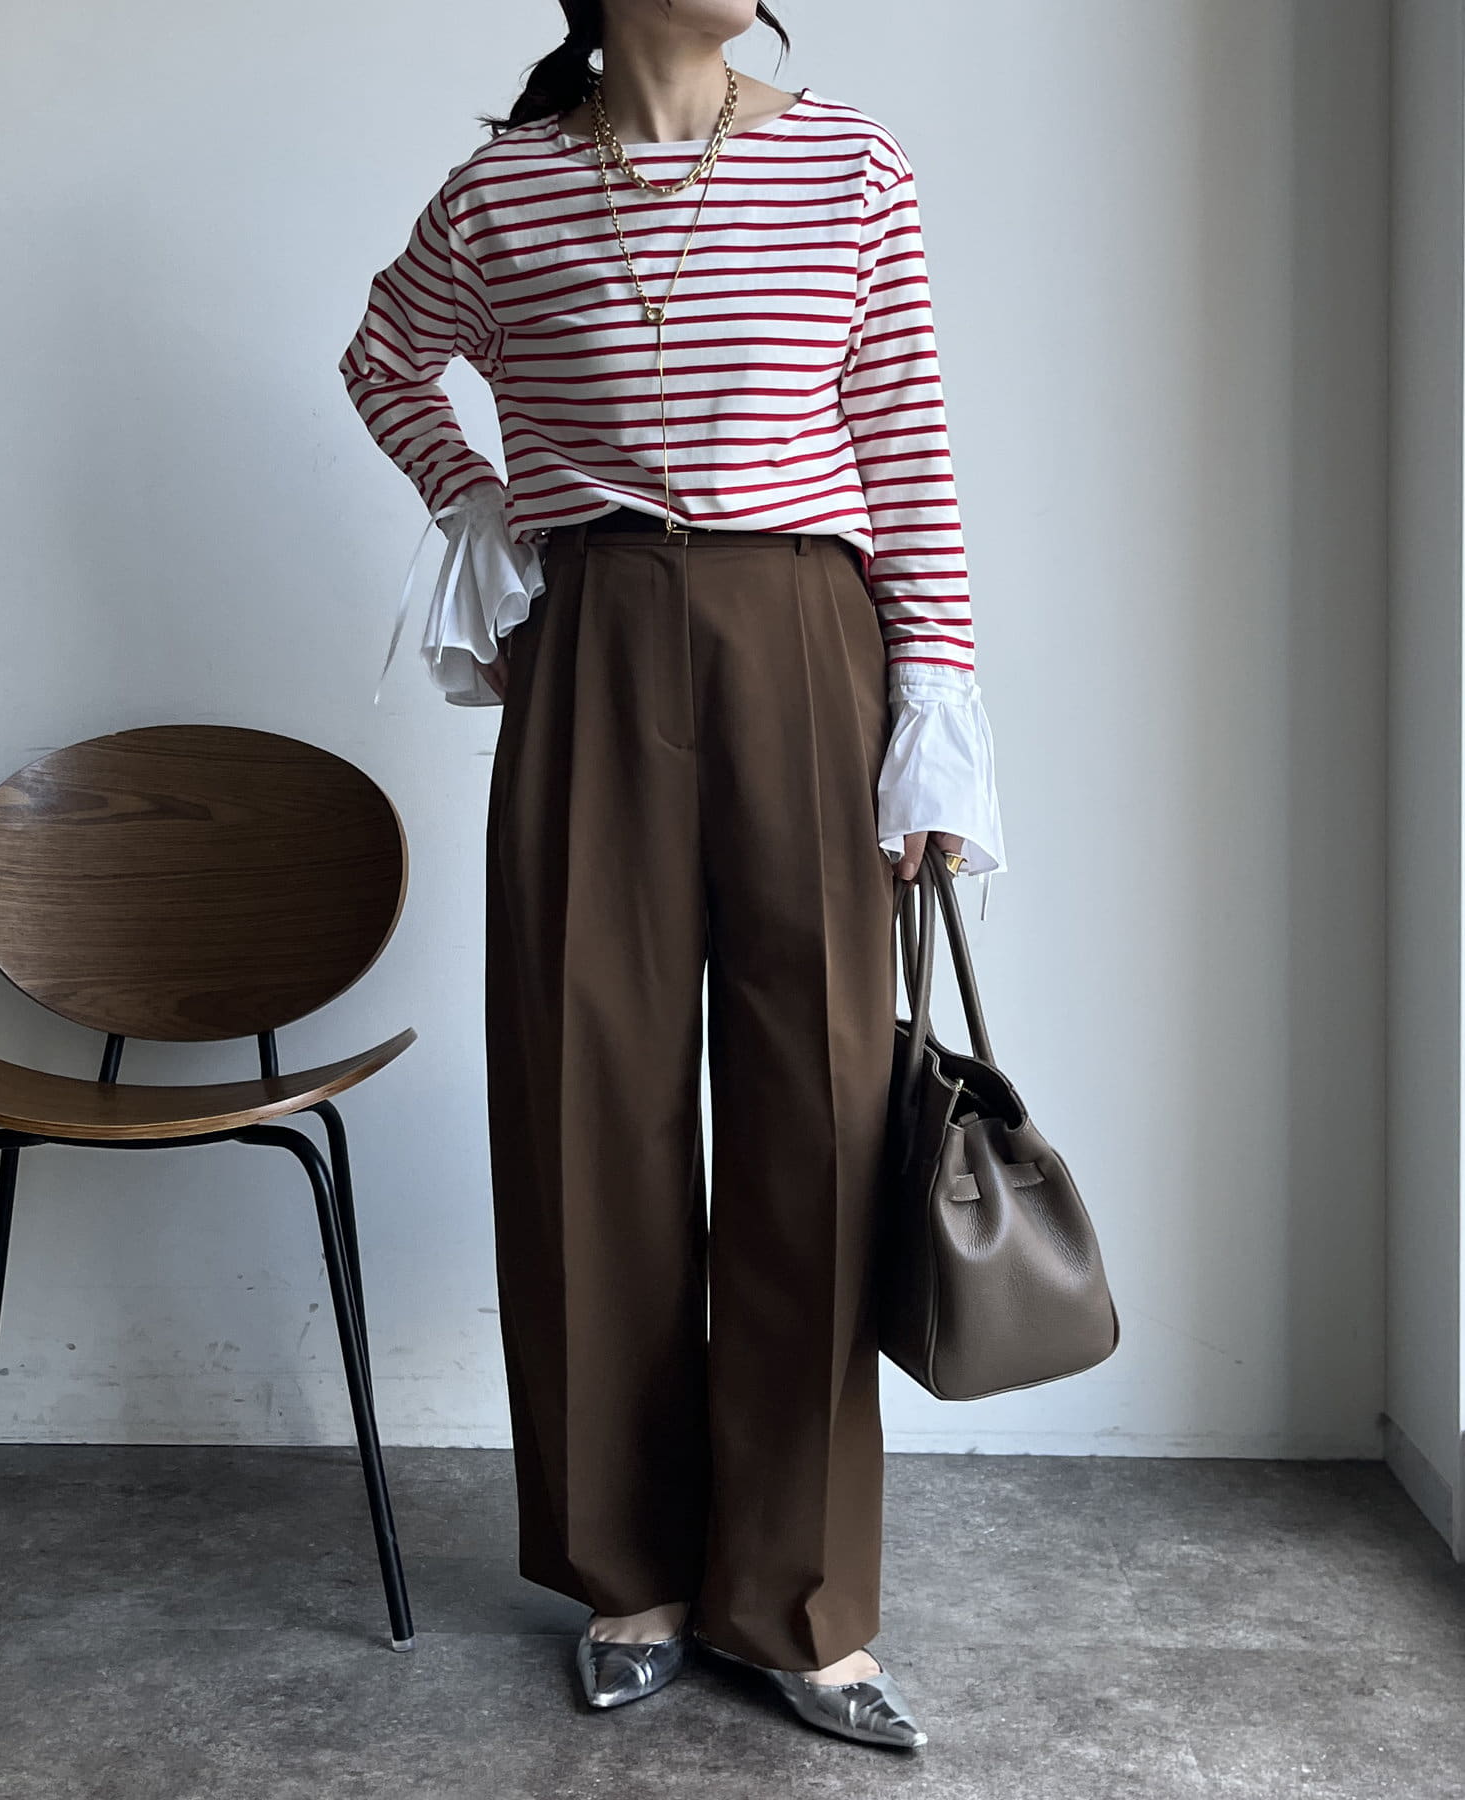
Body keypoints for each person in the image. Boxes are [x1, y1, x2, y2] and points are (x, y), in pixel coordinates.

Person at [339, 0, 1007, 1753]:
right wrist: (484, 509)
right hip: (596, 633)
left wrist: (935, 716)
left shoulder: (848, 163)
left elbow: (909, 449)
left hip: (805, 634)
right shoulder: (503, 191)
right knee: (591, 1089)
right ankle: (625, 1570)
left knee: (822, 1110)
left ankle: (799, 1602)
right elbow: (383, 358)